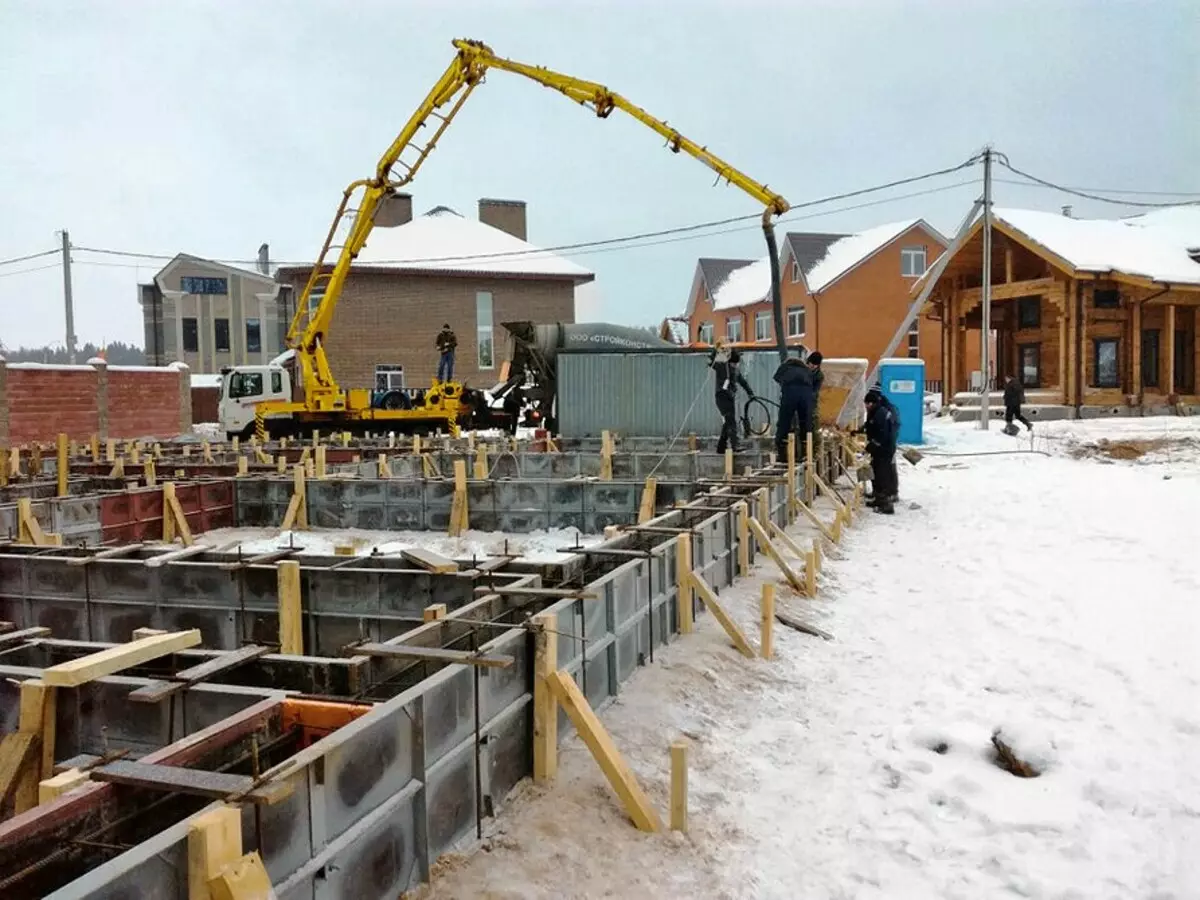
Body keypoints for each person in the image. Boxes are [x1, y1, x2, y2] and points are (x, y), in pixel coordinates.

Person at [709, 338, 754, 454]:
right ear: (730, 361)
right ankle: (735, 445)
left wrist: (751, 393)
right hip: (722, 396)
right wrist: (718, 349)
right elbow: (713, 360)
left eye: (736, 364)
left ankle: (721, 447)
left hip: (729, 397)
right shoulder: (722, 367)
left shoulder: (735, 371)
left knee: (728, 422)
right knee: (731, 421)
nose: (735, 365)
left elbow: (743, 382)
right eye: (734, 363)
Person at [863, 387, 900, 514]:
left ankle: (886, 505)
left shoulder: (881, 413)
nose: (866, 406)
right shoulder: (877, 411)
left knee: (882, 476)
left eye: (867, 404)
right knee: (875, 473)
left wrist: (873, 445)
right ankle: (878, 499)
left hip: (884, 450)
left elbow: (883, 434)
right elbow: (870, 426)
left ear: (872, 403)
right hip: (880, 450)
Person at [773, 352, 814, 459]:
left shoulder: (785, 366)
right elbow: (813, 382)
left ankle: (781, 449)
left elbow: (776, 378)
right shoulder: (806, 369)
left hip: (789, 394)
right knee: (805, 422)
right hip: (805, 396)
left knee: (784, 421)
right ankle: (807, 450)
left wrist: (784, 384)